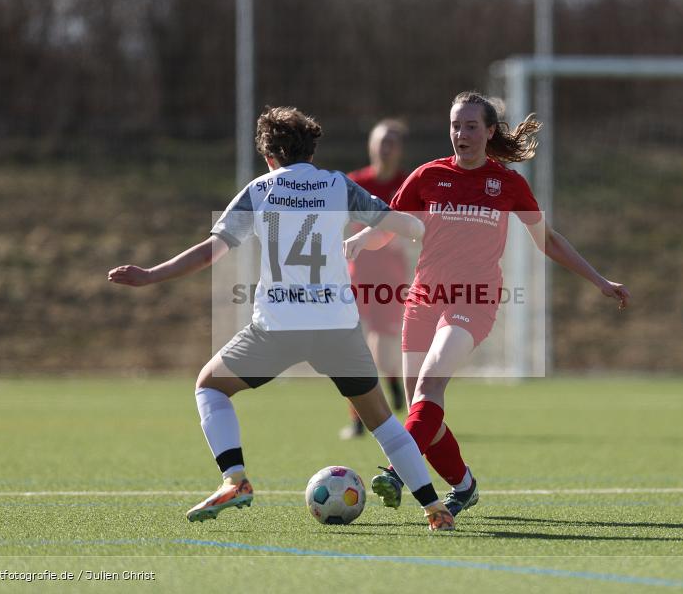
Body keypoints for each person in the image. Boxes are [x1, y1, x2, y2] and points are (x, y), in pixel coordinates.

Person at [108, 106, 455, 531]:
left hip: (278, 328)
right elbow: (403, 227)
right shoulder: (336, 185)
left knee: (209, 386)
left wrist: (151, 275)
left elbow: (211, 251)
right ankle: (434, 507)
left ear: (269, 155)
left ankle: (235, 478)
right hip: (336, 329)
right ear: (312, 149)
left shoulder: (260, 189)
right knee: (383, 421)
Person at [345, 91, 631, 517]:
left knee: (429, 389)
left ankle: (396, 471)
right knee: (427, 414)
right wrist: (355, 242)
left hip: (473, 302)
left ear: (490, 131)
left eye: (471, 126)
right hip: (423, 301)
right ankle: (464, 485)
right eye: (455, 125)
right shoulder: (427, 176)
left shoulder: (508, 184)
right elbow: (390, 226)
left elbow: (547, 240)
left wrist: (598, 279)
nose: (461, 134)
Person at [340, 119, 411, 439]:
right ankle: (357, 419)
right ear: (371, 146)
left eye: (392, 142)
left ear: (399, 150)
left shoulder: (407, 184)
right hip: (357, 276)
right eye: (382, 141)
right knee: (355, 348)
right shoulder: (355, 182)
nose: (386, 148)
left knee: (382, 346)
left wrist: (404, 237)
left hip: (390, 279)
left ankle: (393, 380)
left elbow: (418, 225)